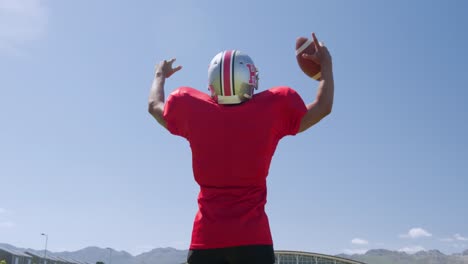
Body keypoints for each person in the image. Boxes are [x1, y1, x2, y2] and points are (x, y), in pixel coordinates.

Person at [148, 32, 334, 264]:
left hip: (207, 239)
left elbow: (154, 106)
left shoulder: (190, 107)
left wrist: (160, 75)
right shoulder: (273, 108)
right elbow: (323, 107)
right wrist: (326, 66)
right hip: (254, 240)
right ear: (249, 78)